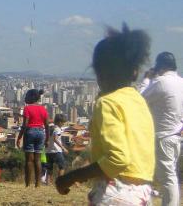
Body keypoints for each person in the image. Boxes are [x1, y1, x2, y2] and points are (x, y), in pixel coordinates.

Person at [56, 24, 155, 204]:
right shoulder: (138, 101)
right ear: (134, 72)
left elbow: (118, 158)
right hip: (142, 192)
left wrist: (71, 177)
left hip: (116, 191)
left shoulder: (108, 103)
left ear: (100, 74)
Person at [138, 52, 183, 206]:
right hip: (175, 135)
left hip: (163, 136)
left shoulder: (161, 82)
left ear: (161, 67)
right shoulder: (180, 82)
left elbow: (140, 98)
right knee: (170, 176)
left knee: (167, 177)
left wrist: (146, 79)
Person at [15, 88, 48, 188]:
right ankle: (37, 184)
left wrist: (19, 137)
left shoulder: (27, 108)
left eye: (27, 96)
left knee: (29, 160)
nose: (25, 97)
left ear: (32, 97)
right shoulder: (43, 109)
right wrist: (46, 139)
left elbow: (25, 125)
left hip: (30, 132)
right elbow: (46, 125)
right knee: (37, 160)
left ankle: (28, 184)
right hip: (41, 133)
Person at [45, 114, 69, 185]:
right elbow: (55, 139)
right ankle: (60, 182)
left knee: (49, 168)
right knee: (62, 166)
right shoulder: (57, 129)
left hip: (48, 151)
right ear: (59, 122)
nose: (63, 124)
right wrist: (63, 148)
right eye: (63, 122)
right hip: (56, 151)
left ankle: (48, 182)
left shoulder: (50, 128)